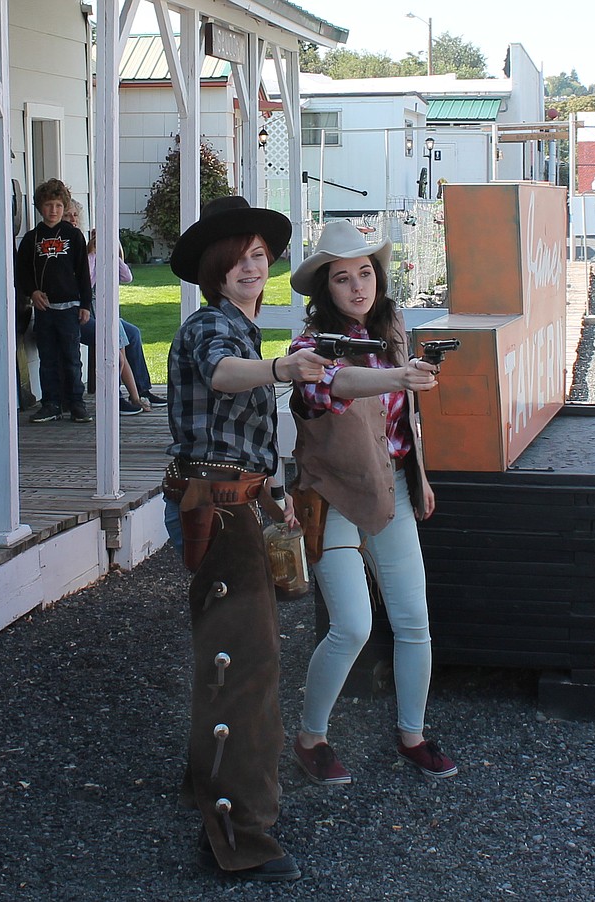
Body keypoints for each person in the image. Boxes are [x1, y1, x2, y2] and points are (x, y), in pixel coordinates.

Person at [161, 195, 330, 883]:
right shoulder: (212, 330)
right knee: (249, 668)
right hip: (217, 507)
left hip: (234, 502)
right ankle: (238, 836)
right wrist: (284, 370)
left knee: (226, 655)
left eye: (258, 256)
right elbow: (224, 376)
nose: (250, 268)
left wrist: (277, 494)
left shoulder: (244, 331)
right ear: (213, 271)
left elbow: (246, 436)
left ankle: (205, 780)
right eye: (236, 260)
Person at [286, 219, 458, 787]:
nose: (359, 287)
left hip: (392, 490)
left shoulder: (394, 332)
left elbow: (407, 422)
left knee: (414, 622)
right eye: (342, 278)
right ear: (324, 290)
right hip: (333, 495)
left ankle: (411, 734)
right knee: (353, 628)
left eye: (366, 273)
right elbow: (330, 388)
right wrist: (394, 378)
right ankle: (311, 737)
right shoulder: (311, 347)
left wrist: (422, 478)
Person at [65, 200, 165, 410]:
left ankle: (142, 390)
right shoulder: (71, 248)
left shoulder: (82, 242)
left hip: (98, 313)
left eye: (75, 215)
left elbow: (126, 277)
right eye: (67, 216)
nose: (72, 220)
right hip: (77, 314)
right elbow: (83, 285)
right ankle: (116, 395)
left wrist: (112, 249)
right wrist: (92, 255)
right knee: (112, 339)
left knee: (133, 333)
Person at [15, 179, 92, 423]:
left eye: (59, 205)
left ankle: (76, 403)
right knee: (48, 359)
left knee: (71, 358)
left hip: (69, 308)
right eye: (49, 205)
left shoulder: (74, 236)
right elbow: (22, 271)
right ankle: (51, 403)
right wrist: (33, 292)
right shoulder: (31, 239)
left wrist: (85, 305)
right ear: (40, 207)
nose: (54, 211)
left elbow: (83, 273)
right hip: (44, 309)